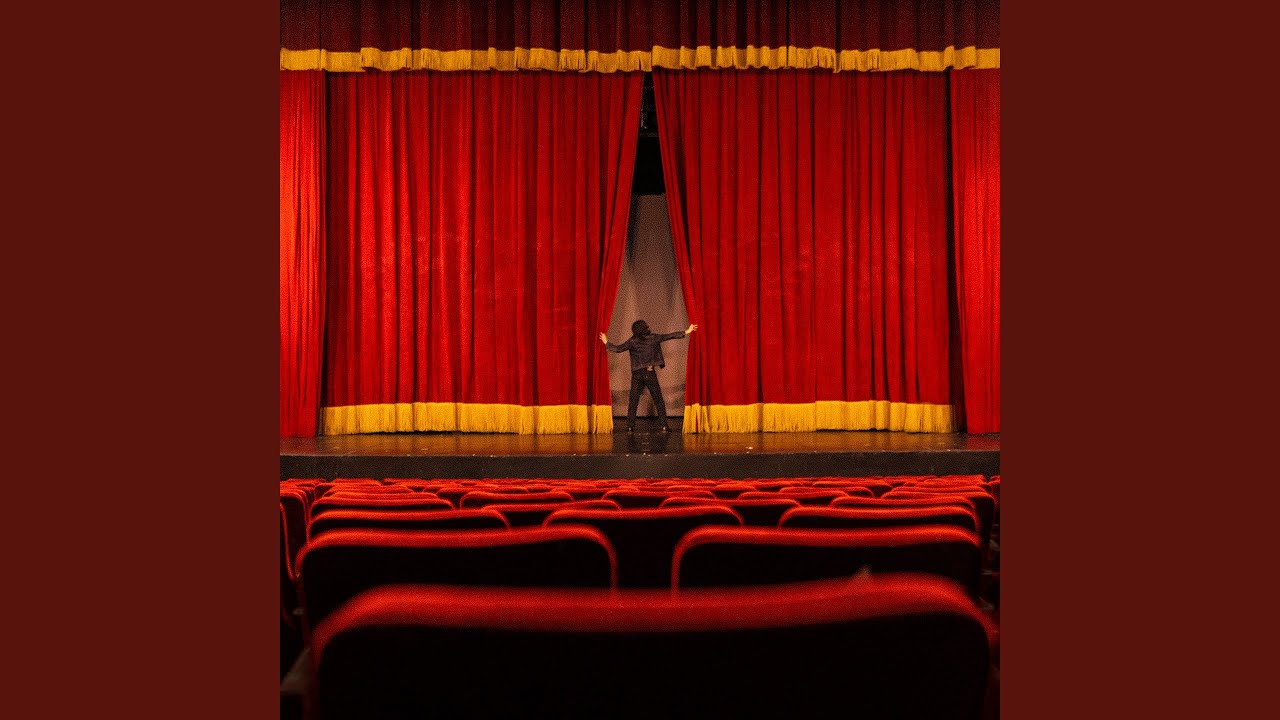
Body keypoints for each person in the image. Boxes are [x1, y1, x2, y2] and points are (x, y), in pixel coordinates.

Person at [600, 320, 697, 432]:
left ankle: (630, 427)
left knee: (633, 401)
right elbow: (669, 336)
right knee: (658, 400)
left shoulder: (633, 341)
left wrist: (606, 342)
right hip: (649, 372)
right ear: (645, 328)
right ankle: (664, 426)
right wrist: (687, 331)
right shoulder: (653, 338)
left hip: (637, 374)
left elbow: (618, 349)